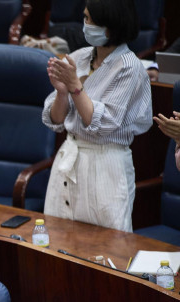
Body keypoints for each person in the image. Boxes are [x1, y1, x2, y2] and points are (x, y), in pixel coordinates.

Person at [42, 0, 152, 232]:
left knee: (105, 248)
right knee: (58, 239)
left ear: (110, 25)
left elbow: (101, 124)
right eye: (85, 17)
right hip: (69, 156)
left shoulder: (129, 67)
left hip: (106, 164)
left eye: (90, 20)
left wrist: (74, 86)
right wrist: (62, 93)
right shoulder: (80, 56)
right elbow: (56, 119)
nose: (85, 25)